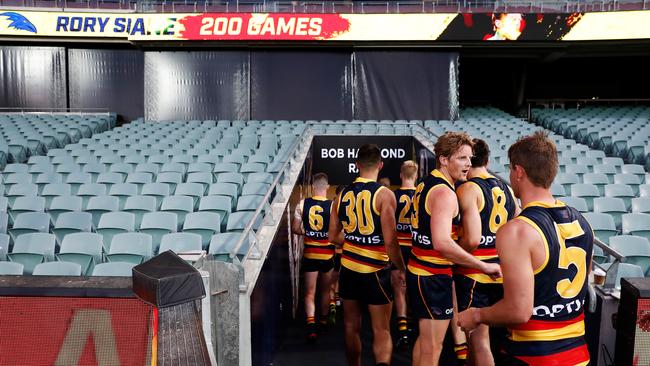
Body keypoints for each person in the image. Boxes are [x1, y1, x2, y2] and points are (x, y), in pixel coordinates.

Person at [458, 131, 593, 366]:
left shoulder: (517, 230)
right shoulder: (583, 222)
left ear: (519, 172)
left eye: (511, 169)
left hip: (533, 355)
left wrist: (477, 315)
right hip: (579, 355)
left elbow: (519, 310)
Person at [408, 131, 501, 366]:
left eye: (470, 159)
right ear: (443, 158)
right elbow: (442, 242)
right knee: (433, 348)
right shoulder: (444, 192)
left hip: (421, 272)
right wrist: (482, 265)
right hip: (431, 276)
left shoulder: (427, 182)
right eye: (462, 158)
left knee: (424, 342)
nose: (468, 164)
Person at [329, 144, 406, 366]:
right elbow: (391, 241)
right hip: (376, 272)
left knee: (351, 326)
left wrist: (354, 240)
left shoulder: (342, 195)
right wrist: (401, 268)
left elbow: (333, 236)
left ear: (356, 165)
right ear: (380, 165)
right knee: (381, 329)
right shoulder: (385, 195)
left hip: (349, 270)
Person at [455, 138, 520, 365]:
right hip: (501, 272)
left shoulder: (468, 188)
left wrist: (454, 256)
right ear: (488, 160)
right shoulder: (508, 189)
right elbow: (518, 227)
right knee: (488, 343)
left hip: (475, 273)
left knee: (480, 342)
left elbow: (472, 240)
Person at [292, 173, 336, 343]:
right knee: (325, 290)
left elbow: (295, 228)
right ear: (326, 187)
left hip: (310, 254)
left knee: (310, 293)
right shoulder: (333, 206)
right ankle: (323, 322)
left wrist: (308, 232)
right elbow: (337, 231)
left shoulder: (303, 204)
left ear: (312, 187)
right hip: (328, 255)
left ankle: (311, 325)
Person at [392, 160, 418, 350]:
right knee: (415, 288)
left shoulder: (392, 196)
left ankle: (402, 330)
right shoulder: (422, 194)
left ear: (401, 175)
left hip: (399, 247)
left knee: (399, 288)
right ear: (415, 175)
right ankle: (416, 327)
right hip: (417, 248)